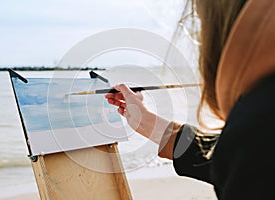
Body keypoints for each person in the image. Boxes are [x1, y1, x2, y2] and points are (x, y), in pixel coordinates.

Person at [105, 0, 275, 199]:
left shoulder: (259, 124)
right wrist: (146, 121)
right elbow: (230, 159)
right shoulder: (258, 125)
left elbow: (246, 157)